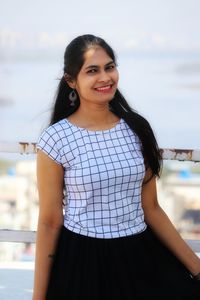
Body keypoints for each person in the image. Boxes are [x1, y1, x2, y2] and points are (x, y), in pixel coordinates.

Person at [32, 34, 200, 300]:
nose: (105, 77)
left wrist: (197, 269)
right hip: (83, 261)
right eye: (92, 71)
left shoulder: (136, 128)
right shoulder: (56, 139)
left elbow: (152, 208)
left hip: (139, 255)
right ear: (71, 80)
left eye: (110, 67)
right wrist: (38, 297)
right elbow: (50, 221)